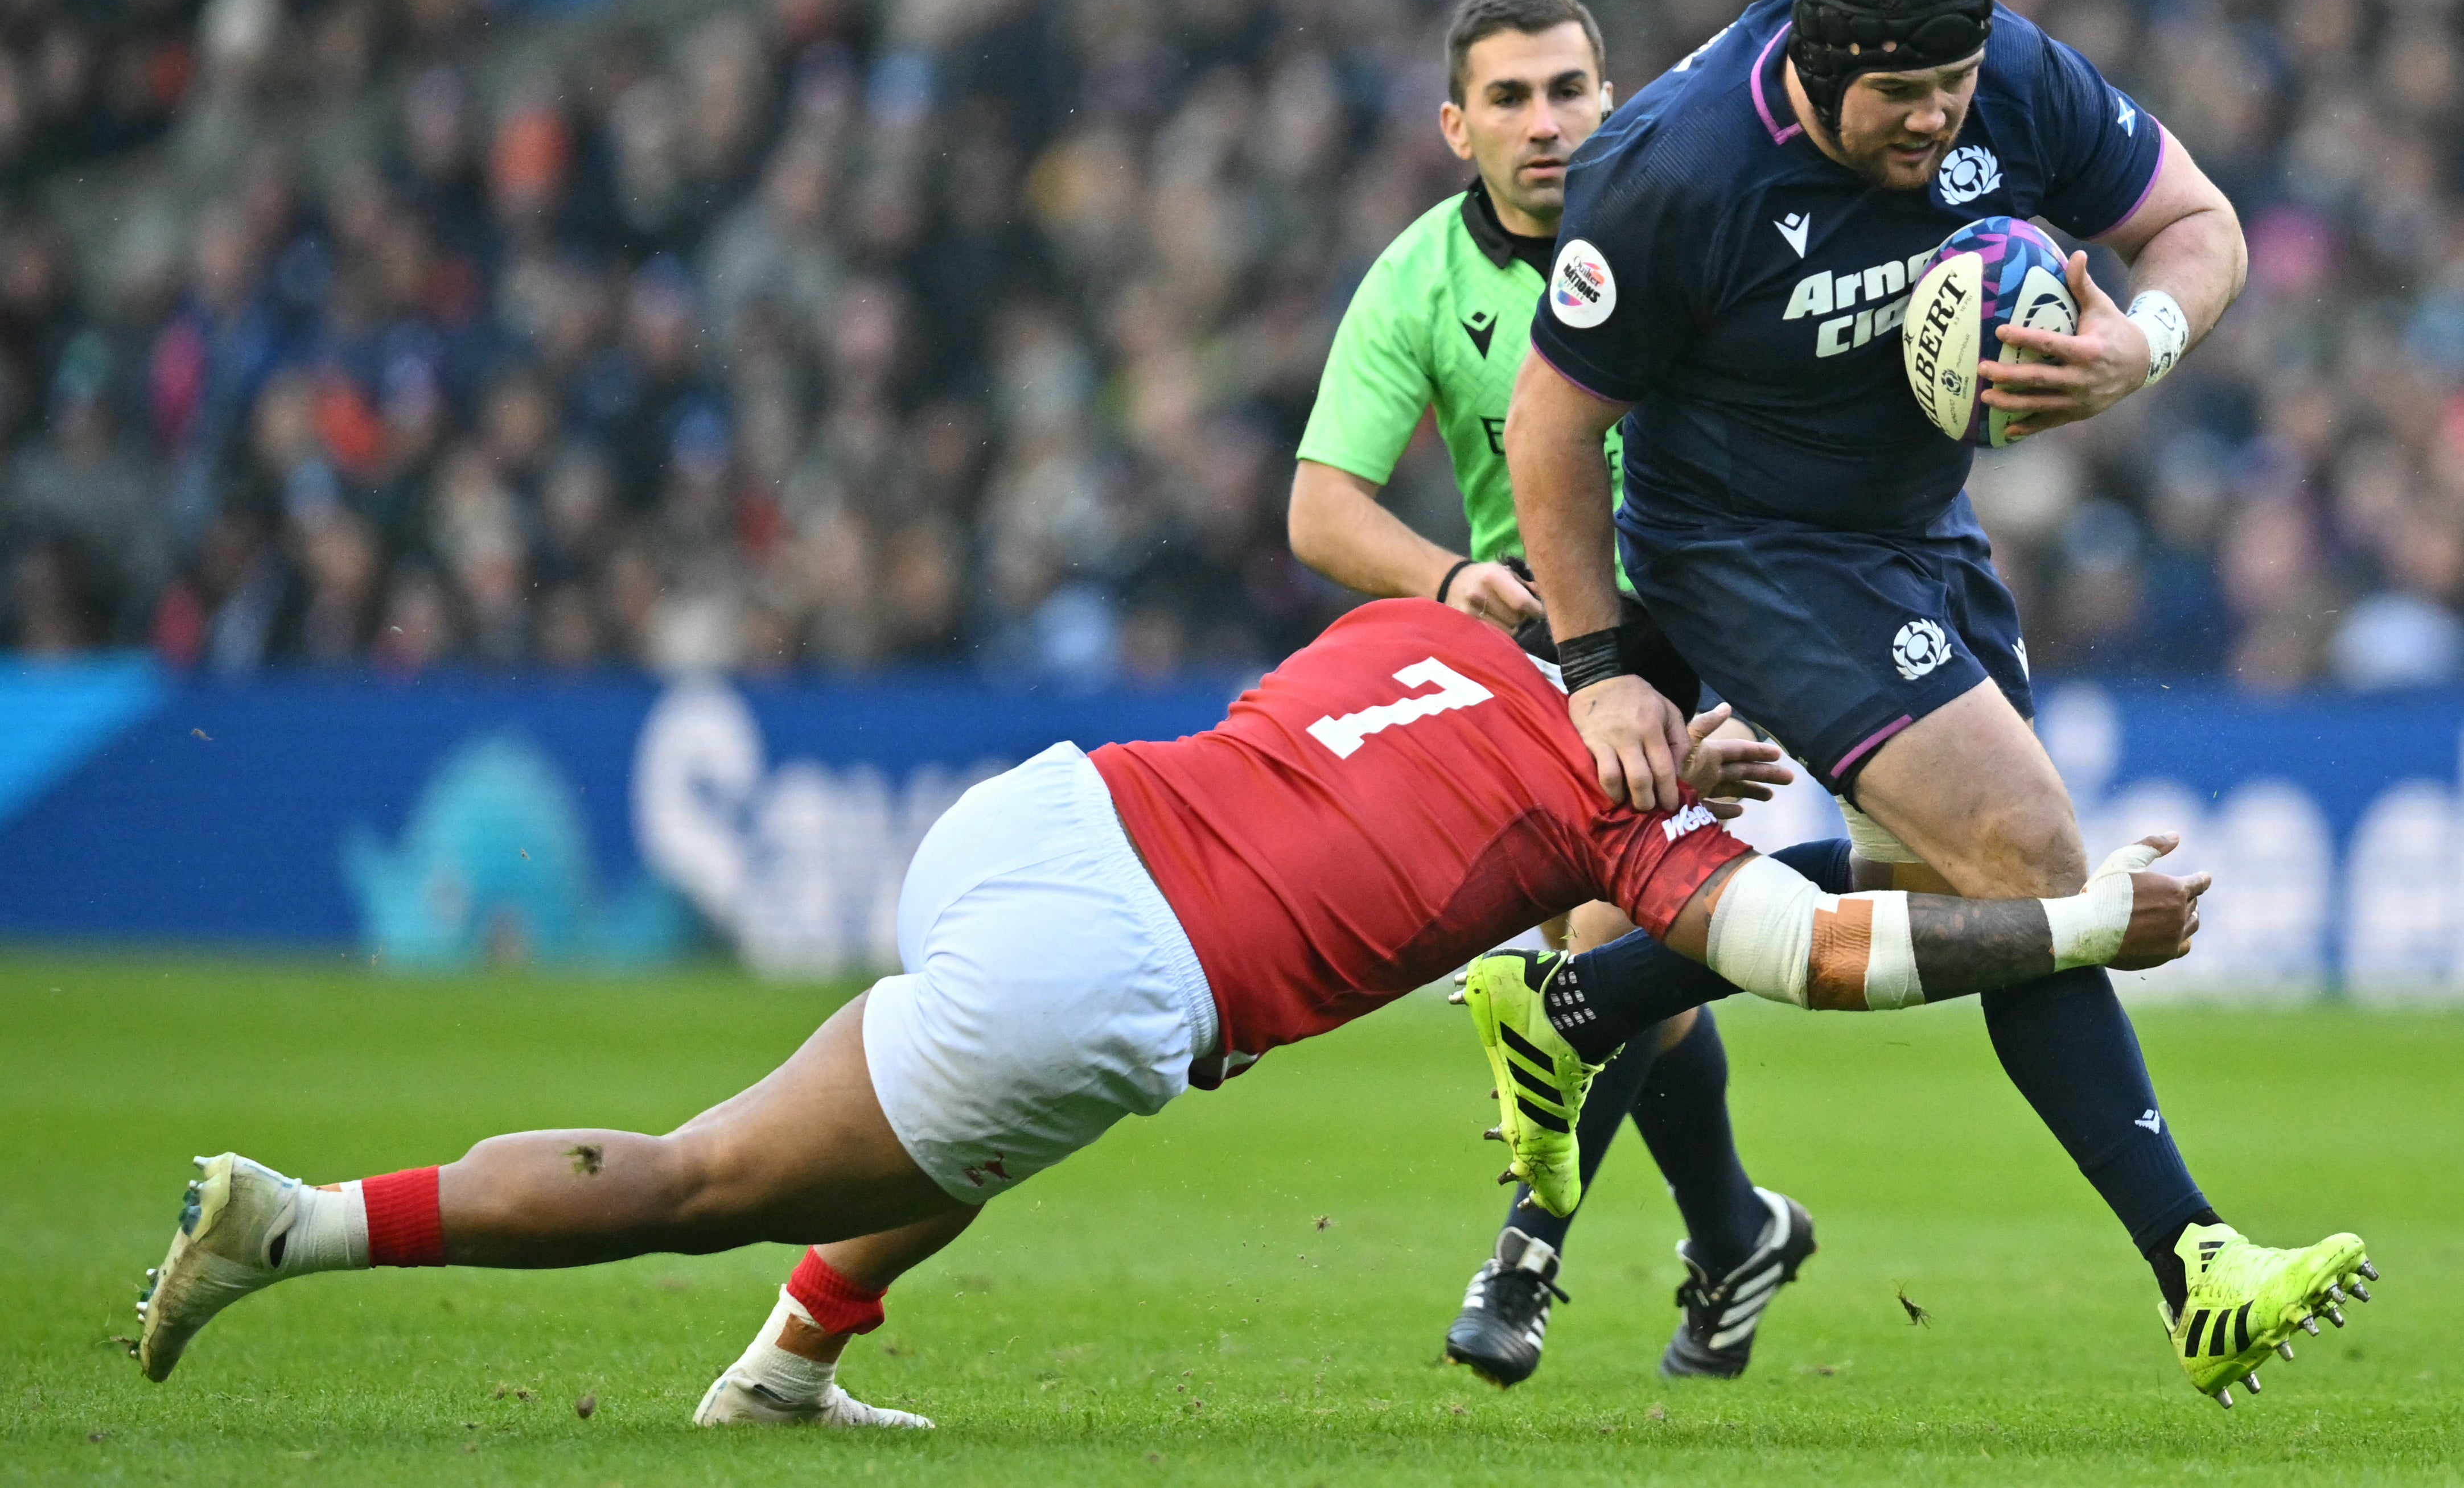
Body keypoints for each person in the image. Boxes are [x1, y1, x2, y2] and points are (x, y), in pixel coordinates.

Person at [131, 599, 2224, 1430]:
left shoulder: (1440, 631)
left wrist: (1657, 753)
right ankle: (301, 1220)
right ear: (1679, 698)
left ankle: (788, 1372)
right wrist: (2072, 920)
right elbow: (1823, 956)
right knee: (702, 1172)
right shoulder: (1621, 814)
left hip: (1049, 813)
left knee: (972, 1125)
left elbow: (1487, 739)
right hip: (1122, 966)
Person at [1499, 0, 2316, 1404]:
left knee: (1978, 889)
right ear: (1817, 69)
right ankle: (2198, 1257)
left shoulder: (2007, 76)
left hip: (1913, 530)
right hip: (1742, 540)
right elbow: (1550, 425)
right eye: (1901, 98)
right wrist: (1598, 663)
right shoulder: (1681, 163)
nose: (1937, 120)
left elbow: (2197, 224)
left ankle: (1583, 1006)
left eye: (1953, 88)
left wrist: (2141, 341)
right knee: (2031, 851)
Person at [1287, 0, 1839, 1386]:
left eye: (1570, 91)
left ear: (1615, 96)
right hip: (1539, 657)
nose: (1546, 124)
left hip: (1710, 623)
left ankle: (1526, 1255)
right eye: (1511, 99)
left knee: (1602, 941)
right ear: (1453, 125)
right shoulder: (1417, 275)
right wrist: (1439, 577)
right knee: (1624, 966)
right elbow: (1318, 506)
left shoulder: (1683, 224)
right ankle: (1733, 1231)